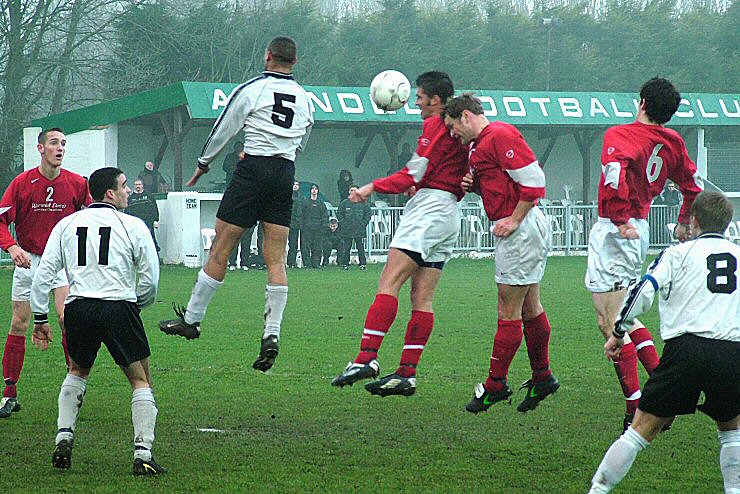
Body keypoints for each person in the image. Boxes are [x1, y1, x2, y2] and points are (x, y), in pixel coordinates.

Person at [159, 36, 313, 374]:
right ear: (295, 62)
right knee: (277, 257)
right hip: (284, 172)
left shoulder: (254, 88)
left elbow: (225, 127)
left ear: (268, 56)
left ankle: (193, 320)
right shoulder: (303, 97)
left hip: (254, 170)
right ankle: (271, 335)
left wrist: (203, 163)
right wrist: (286, 157)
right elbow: (304, 135)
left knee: (221, 247)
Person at [588, 191, 739, 494]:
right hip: (730, 351)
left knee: (639, 431)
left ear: (693, 221)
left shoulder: (676, 254)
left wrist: (619, 332)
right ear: (727, 223)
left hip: (685, 350)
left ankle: (598, 490)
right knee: (732, 432)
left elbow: (643, 292)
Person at [331, 71, 468, 396]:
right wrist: (421, 185)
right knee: (422, 297)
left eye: (419, 96)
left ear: (435, 100)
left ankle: (366, 357)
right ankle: (406, 373)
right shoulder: (458, 130)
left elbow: (412, 173)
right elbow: (443, 172)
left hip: (429, 212)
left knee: (389, 281)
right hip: (447, 212)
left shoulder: (436, 125)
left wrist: (370, 188)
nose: (415, 102)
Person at [584, 77, 704, 431]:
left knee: (618, 320)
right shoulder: (672, 141)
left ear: (641, 102)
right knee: (611, 319)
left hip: (616, 229)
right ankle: (648, 398)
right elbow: (692, 187)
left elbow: (613, 175)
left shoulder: (619, 135)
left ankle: (653, 399)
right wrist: (683, 222)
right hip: (637, 226)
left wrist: (619, 220)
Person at [30, 167, 163, 475]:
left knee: (77, 370)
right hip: (118, 307)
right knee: (140, 379)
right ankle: (143, 454)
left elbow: (44, 276)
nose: (129, 191)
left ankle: (64, 437)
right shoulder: (133, 225)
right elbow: (150, 279)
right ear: (110, 193)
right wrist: (138, 304)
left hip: (79, 308)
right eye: (124, 186)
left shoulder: (67, 224)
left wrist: (40, 317)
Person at [444, 94, 559, 414]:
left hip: (520, 230)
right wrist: (477, 185)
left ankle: (495, 385)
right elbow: (503, 182)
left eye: (453, 127)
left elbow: (535, 182)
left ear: (466, 116)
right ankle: (543, 376)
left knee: (508, 308)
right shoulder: (480, 144)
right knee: (529, 306)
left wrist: (514, 219)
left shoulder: (500, 135)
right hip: (519, 229)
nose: (453, 135)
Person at [0, 128, 91, 418]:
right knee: (18, 323)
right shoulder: (23, 183)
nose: (60, 148)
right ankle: (9, 394)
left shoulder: (77, 184)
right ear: (41, 149)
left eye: (63, 144)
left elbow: (94, 216)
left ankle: (73, 389)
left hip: (62, 263)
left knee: (66, 319)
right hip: (29, 260)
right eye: (54, 143)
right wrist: (12, 247)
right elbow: (1, 220)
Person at [337, 185, 371, 270]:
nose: (353, 192)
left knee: (360, 247)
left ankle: (362, 264)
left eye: (355, 190)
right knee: (347, 247)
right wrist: (343, 224)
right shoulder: (344, 203)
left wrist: (363, 224)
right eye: (351, 190)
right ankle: (345, 264)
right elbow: (339, 214)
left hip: (359, 229)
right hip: (347, 229)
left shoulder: (364, 203)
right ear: (349, 192)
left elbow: (368, 215)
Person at [125, 179, 160, 253]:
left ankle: (156, 255)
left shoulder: (149, 196)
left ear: (142, 185)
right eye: (136, 185)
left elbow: (154, 209)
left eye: (139, 184)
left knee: (151, 238)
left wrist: (156, 220)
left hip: (148, 222)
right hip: (135, 224)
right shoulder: (130, 198)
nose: (138, 186)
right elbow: (127, 212)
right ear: (134, 186)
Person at [299, 183, 328, 268]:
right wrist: (302, 226)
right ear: (310, 191)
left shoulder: (321, 203)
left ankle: (316, 264)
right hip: (306, 228)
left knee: (317, 247)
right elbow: (301, 215)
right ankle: (307, 264)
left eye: (316, 189)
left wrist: (323, 226)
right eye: (312, 189)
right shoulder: (305, 202)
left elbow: (325, 216)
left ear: (318, 191)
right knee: (305, 247)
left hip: (318, 228)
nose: (314, 190)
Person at [287, 180, 303, 268]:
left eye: (297, 185)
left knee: (293, 245)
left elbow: (301, 213)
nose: (296, 186)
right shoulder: (286, 197)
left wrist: (297, 222)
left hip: (295, 226)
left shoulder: (301, 198)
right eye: (294, 184)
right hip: (286, 224)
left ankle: (291, 263)